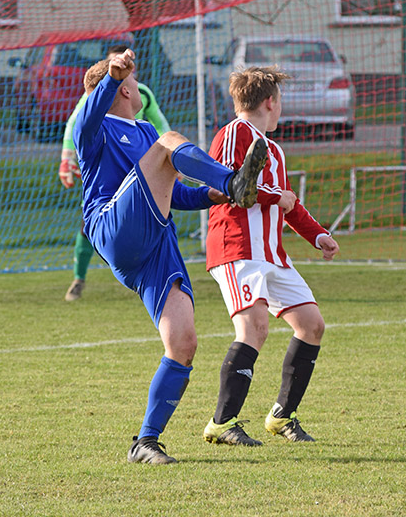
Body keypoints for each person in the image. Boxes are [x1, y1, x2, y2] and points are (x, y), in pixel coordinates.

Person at [73, 50, 268, 464]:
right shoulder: (96, 128)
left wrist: (209, 196)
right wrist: (111, 76)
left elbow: (171, 192)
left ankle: (145, 442)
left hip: (155, 245)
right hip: (113, 227)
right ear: (126, 90)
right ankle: (233, 181)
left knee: (183, 343)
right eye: (133, 82)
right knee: (169, 141)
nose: (139, 85)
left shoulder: (145, 131)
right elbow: (86, 119)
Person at [201, 66, 340, 447]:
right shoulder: (234, 134)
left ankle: (281, 416)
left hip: (271, 254)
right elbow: (230, 184)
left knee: (311, 325)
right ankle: (222, 423)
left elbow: (289, 203)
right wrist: (276, 196)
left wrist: (318, 235)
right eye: (280, 101)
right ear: (270, 102)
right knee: (254, 329)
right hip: (237, 249)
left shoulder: (273, 149)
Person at [59, 44, 170, 302]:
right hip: (108, 169)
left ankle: (151, 275)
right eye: (112, 64)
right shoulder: (96, 96)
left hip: (140, 169)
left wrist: (171, 159)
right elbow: (76, 123)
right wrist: (66, 158)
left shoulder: (143, 96)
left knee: (157, 219)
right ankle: (78, 278)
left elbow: (161, 125)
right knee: (88, 226)